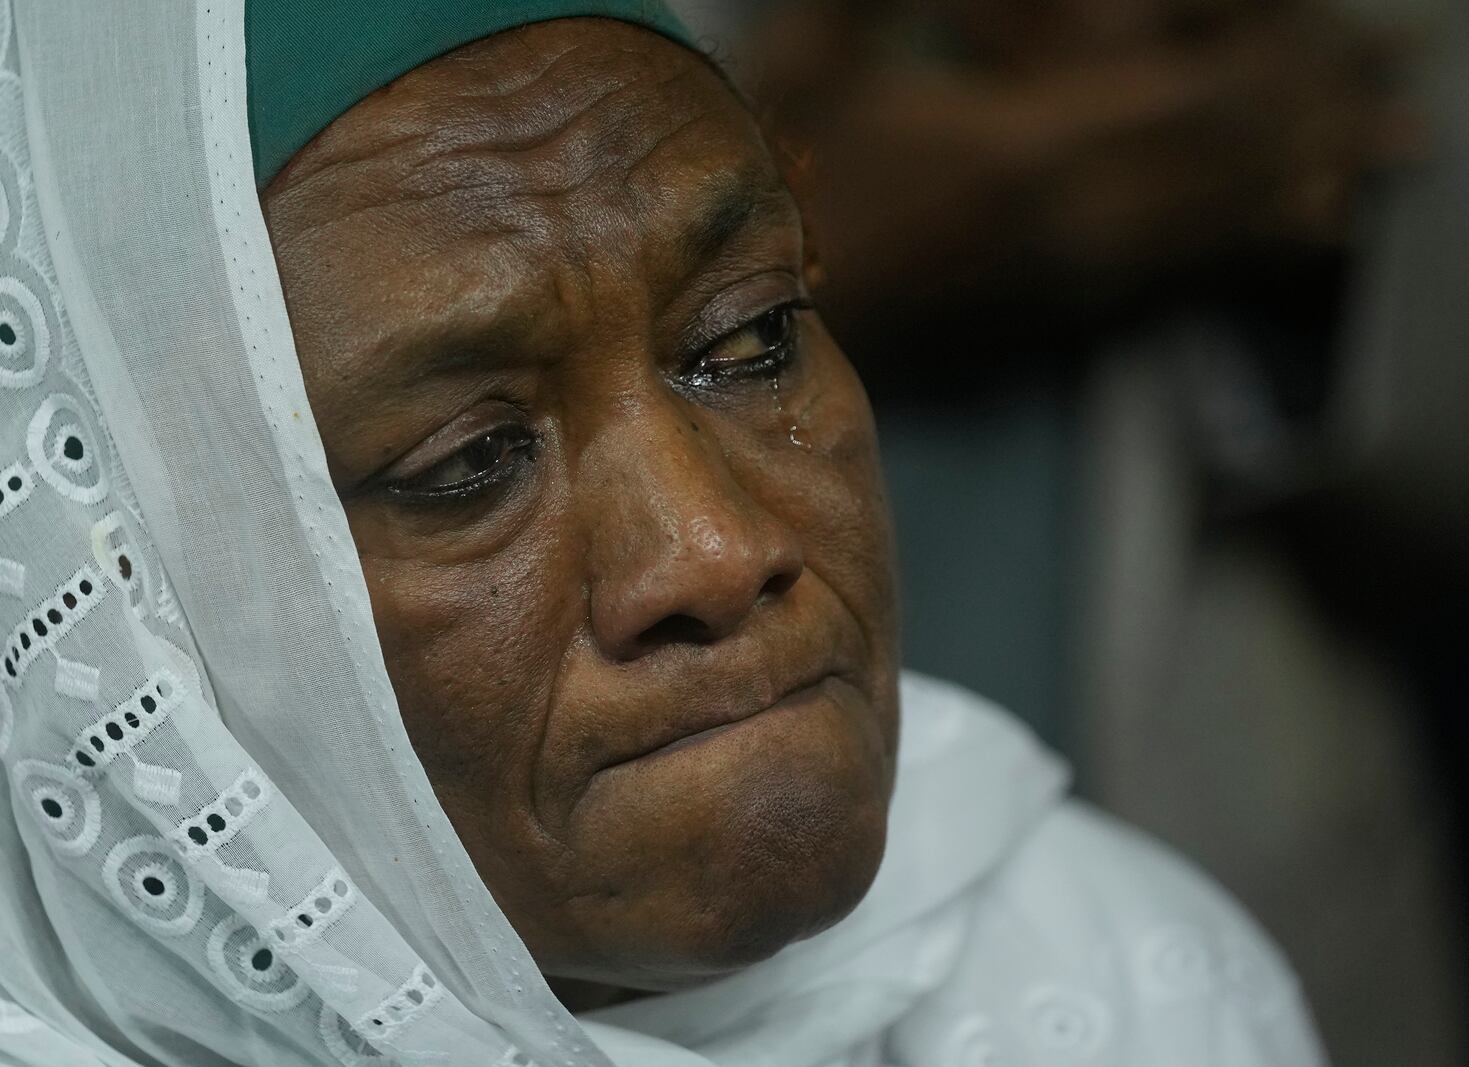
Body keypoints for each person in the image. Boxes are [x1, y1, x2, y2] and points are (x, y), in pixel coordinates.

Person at [0, 3, 1326, 1065]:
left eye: (750, 340)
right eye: (468, 465)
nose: (714, 550)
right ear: (119, 606)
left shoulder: (1091, 974)